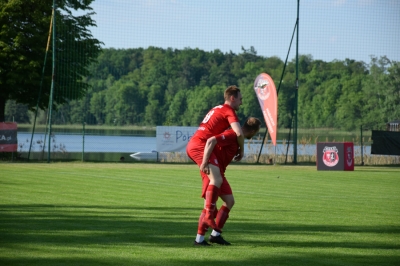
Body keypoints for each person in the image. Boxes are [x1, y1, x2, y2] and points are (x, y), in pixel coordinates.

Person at [194, 117, 261, 246]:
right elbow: (212, 140)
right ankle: (199, 240)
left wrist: (239, 150)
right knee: (210, 209)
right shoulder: (232, 134)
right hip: (212, 171)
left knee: (229, 201)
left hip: (219, 173)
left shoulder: (238, 137)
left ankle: (215, 235)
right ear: (253, 131)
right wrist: (205, 162)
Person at [186, 85, 245, 233]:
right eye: (240, 99)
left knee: (227, 198)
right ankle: (208, 216)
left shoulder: (217, 108)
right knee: (216, 180)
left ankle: (210, 234)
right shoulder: (229, 110)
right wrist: (241, 150)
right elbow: (238, 133)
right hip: (201, 145)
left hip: (198, 144)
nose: (241, 103)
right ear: (232, 98)